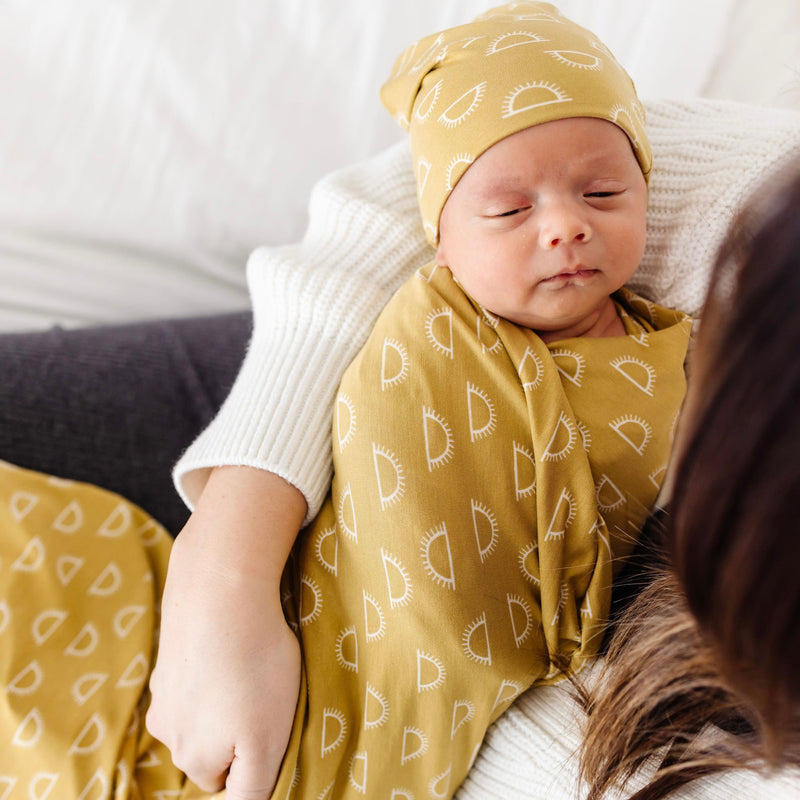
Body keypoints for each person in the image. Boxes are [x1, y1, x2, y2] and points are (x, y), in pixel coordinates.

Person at [1, 2, 690, 798]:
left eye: (604, 193)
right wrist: (220, 567)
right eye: (509, 209)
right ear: (441, 240)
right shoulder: (431, 324)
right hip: (241, 525)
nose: (567, 225)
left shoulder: (678, 354)